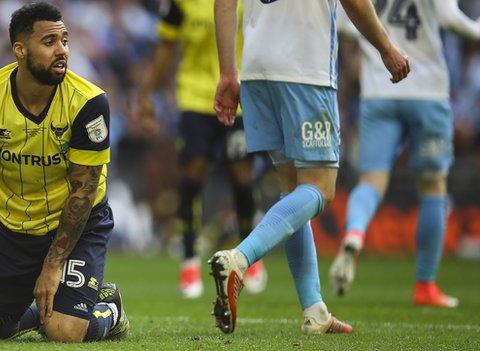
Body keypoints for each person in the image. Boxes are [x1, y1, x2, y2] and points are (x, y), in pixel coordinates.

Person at [210, 0, 410, 334]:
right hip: (304, 68)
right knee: (320, 188)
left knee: (294, 191)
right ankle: (240, 259)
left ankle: (314, 310)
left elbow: (225, 2)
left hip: (256, 70)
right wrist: (386, 48)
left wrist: (228, 71)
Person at [0, 2, 129, 342]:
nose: (62, 51)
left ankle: (110, 309)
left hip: (79, 226)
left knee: (64, 332)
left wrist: (52, 266)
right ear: (19, 50)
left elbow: (84, 191)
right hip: (16, 231)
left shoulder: (89, 102)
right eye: (49, 42)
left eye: (65, 40)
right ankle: (33, 315)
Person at [330, 0, 480, 308]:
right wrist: (476, 31)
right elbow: (449, 18)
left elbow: (345, 23)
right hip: (427, 91)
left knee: (371, 181)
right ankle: (425, 285)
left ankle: (355, 231)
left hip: (379, 90)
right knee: (433, 186)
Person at [136, 0, 265, 299]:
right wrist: (146, 93)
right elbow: (166, 45)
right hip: (195, 98)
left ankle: (250, 252)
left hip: (241, 96)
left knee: (242, 177)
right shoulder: (180, 3)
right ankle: (190, 260)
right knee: (192, 176)